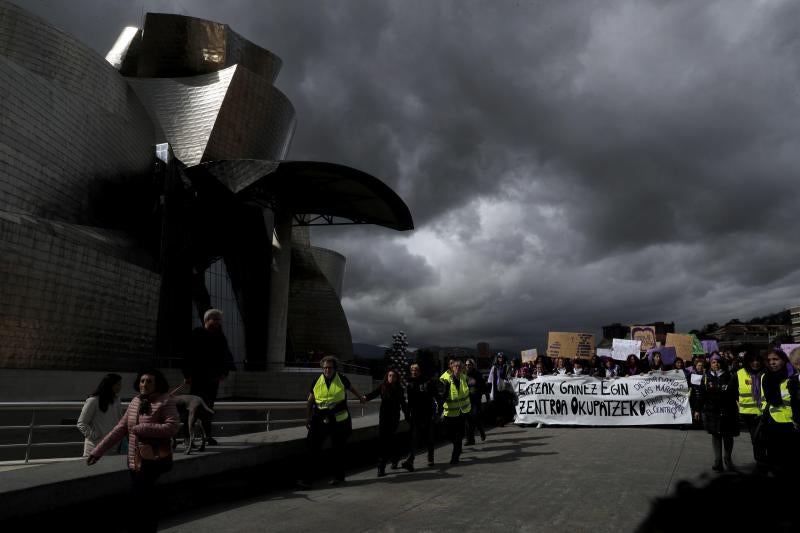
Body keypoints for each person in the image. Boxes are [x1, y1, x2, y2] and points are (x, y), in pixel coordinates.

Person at [87, 369, 179, 533]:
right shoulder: (135, 401)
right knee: (143, 500)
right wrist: (97, 451)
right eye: (142, 381)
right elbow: (120, 429)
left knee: (139, 499)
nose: (145, 384)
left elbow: (172, 427)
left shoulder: (165, 401)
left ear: (157, 383)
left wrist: (143, 428)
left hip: (153, 460)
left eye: (149, 381)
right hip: (135, 461)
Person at [297, 356, 367, 489]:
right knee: (312, 448)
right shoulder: (317, 380)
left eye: (330, 367)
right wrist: (307, 417)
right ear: (322, 368)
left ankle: (338, 477)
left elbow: (352, 388)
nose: (327, 370)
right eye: (325, 367)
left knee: (337, 450)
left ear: (335, 368)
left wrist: (361, 398)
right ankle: (307, 480)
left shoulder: (341, 378)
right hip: (319, 419)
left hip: (339, 422)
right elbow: (310, 401)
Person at [183, 308, 235, 446]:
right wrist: (187, 375)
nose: (218, 322)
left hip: (212, 380)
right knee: (193, 409)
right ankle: (188, 438)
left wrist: (224, 372)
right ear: (207, 320)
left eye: (219, 320)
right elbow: (187, 356)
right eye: (215, 319)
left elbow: (226, 356)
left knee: (208, 409)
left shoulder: (220, 337)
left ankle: (207, 436)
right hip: (198, 378)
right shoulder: (197, 333)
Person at [760, 349, 798, 479]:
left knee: (791, 460)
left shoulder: (792, 375)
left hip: (792, 423)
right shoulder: (766, 377)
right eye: (769, 360)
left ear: (783, 360)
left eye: (775, 359)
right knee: (775, 459)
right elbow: (772, 400)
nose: (772, 363)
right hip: (774, 422)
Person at [365, 368, 409, 477]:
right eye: (389, 375)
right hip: (384, 418)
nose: (391, 378)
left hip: (394, 419)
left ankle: (391, 462)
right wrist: (363, 397)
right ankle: (383, 466)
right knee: (383, 442)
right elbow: (372, 394)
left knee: (389, 441)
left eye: (393, 376)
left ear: (396, 378)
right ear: (387, 377)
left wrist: (407, 416)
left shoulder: (399, 389)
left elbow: (403, 403)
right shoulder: (383, 387)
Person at [699, 355, 739, 472]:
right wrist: (698, 408)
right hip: (712, 411)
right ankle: (718, 461)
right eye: (713, 362)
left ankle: (728, 459)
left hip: (728, 410)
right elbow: (702, 394)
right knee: (716, 435)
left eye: (718, 362)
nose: (716, 364)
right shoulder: (706, 377)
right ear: (710, 364)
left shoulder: (730, 376)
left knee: (728, 436)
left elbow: (734, 392)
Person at [734, 352, 767, 473]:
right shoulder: (740, 373)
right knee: (756, 439)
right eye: (753, 360)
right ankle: (760, 462)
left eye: (758, 360)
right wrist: (736, 401)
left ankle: (762, 462)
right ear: (748, 362)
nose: (756, 363)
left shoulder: (766, 373)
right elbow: (732, 390)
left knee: (761, 438)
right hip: (748, 413)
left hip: (764, 412)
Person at [77, 373, 124, 457]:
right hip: (94, 447)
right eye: (117, 384)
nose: (119, 387)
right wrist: (95, 437)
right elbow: (81, 423)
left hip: (112, 447)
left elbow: (120, 421)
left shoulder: (117, 401)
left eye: (120, 384)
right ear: (109, 384)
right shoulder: (93, 401)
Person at [403, 363, 440, 469]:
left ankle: (430, 457)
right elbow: (410, 402)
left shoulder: (428, 382)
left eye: (416, 370)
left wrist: (438, 413)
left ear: (420, 371)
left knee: (430, 438)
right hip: (415, 416)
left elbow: (437, 397)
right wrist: (407, 414)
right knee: (414, 438)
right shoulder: (410, 384)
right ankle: (410, 460)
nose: (414, 371)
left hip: (428, 414)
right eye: (412, 370)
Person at [439, 358, 471, 465]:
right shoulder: (447, 380)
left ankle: (455, 456)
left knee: (458, 436)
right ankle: (457, 449)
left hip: (461, 412)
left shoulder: (465, 379)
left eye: (459, 367)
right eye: (455, 366)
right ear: (452, 368)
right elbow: (442, 396)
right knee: (448, 435)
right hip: (449, 413)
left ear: (462, 369)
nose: (457, 368)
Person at [464, 358, 486, 445]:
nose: (467, 366)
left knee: (475, 416)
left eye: (469, 364)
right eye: (466, 365)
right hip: (466, 399)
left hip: (476, 399)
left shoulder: (478, 374)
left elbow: (483, 387)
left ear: (473, 365)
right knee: (467, 420)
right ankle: (469, 439)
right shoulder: (464, 375)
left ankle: (480, 429)